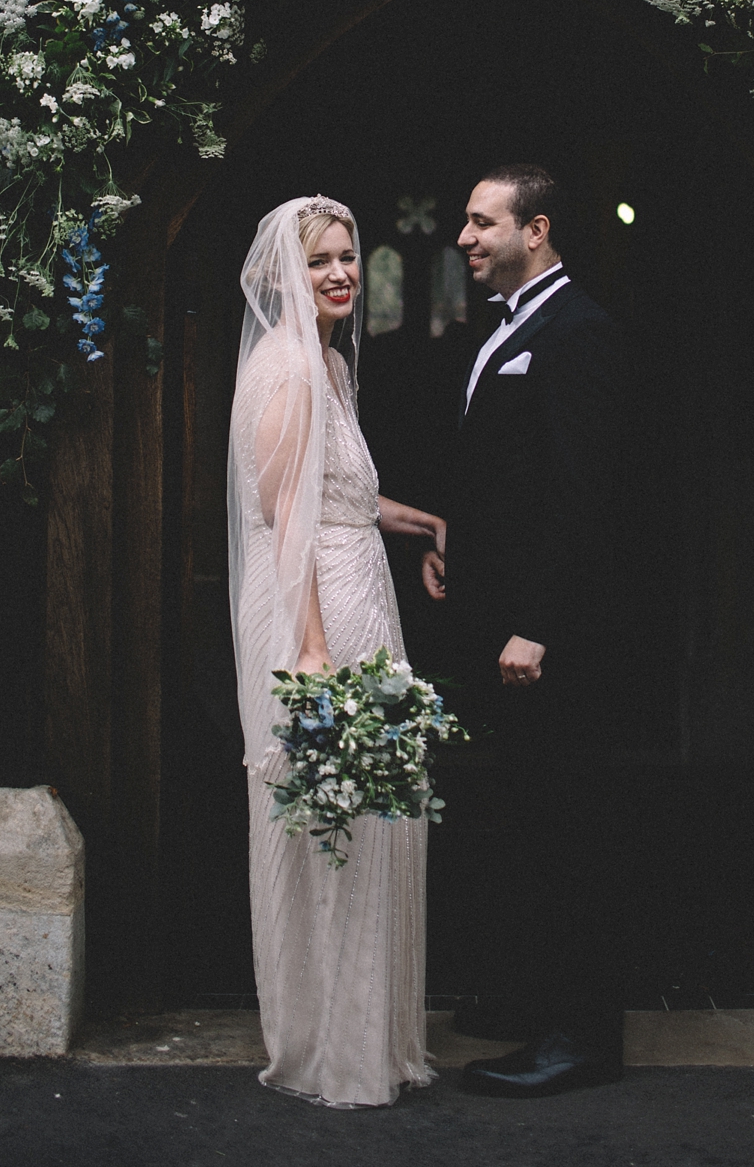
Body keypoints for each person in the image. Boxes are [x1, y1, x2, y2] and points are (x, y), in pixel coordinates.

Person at [228, 194, 447, 1108]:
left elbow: (348, 496)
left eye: (349, 257)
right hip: (313, 613)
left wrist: (428, 522)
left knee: (374, 817)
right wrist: (312, 652)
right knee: (330, 825)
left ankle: (377, 1037)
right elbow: (289, 524)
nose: (341, 273)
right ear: (286, 272)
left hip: (364, 594)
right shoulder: (285, 367)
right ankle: (331, 1049)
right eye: (321, 261)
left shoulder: (332, 365)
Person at [423, 164, 629, 1098]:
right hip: (496, 620)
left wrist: (538, 627)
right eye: (466, 224)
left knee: (568, 828)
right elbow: (508, 475)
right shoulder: (503, 328)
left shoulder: (578, 331)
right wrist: (455, 550)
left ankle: (582, 1037)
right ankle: (529, 998)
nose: (464, 238)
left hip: (553, 641)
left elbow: (590, 498)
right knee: (520, 817)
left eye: (481, 223)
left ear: (534, 230)